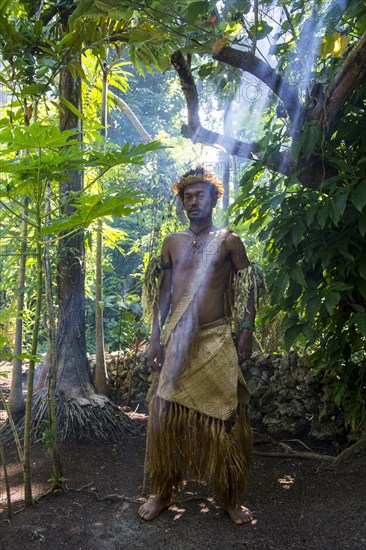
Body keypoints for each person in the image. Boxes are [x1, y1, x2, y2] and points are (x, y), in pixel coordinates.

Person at [139, 167, 258, 525]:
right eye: (187, 197)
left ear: (213, 198)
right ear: (182, 202)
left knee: (226, 420)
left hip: (217, 338)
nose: (193, 201)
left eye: (200, 195)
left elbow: (249, 284)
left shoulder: (229, 241)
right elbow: (163, 293)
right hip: (178, 340)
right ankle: (163, 491)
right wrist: (155, 337)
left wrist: (246, 330)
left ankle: (229, 496)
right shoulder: (172, 242)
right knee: (164, 417)